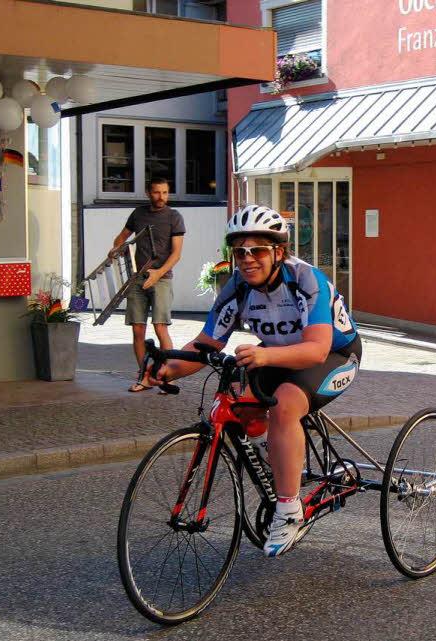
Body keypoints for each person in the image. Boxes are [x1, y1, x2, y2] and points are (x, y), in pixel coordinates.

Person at [148, 205, 361, 557]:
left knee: (285, 407)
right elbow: (207, 343)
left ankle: (289, 511)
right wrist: (169, 368)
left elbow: (316, 350)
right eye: (240, 252)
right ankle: (280, 458)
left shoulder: (306, 280)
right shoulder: (238, 289)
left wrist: (264, 356)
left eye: (258, 250)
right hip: (277, 353)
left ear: (278, 252)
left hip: (335, 355)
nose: (247, 260)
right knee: (242, 406)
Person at [112, 178, 185, 392]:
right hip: (137, 278)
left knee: (160, 327)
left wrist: (158, 273)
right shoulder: (138, 213)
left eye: (165, 192)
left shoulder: (174, 217)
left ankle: (167, 377)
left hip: (161, 278)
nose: (161, 196)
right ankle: (144, 377)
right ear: (148, 193)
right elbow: (122, 237)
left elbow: (176, 254)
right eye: (156, 192)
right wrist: (116, 249)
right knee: (137, 329)